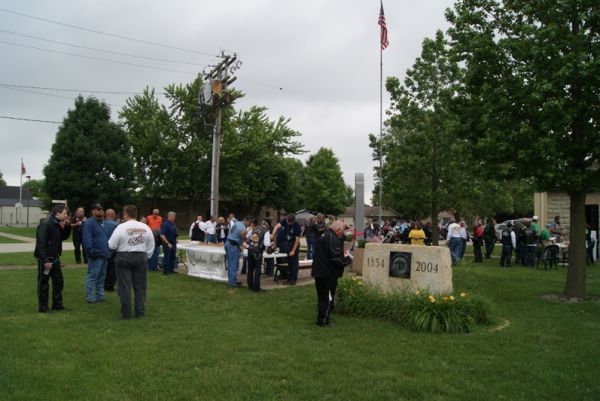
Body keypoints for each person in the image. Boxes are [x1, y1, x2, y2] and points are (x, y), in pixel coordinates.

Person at [108, 204, 155, 319]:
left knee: (124, 286)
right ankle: (140, 312)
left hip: (124, 256)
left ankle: (126, 313)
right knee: (140, 286)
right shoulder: (145, 227)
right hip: (141, 257)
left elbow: (111, 245)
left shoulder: (121, 227)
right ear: (135, 214)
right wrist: (146, 256)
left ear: (125, 214)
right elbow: (151, 245)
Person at [311, 220, 352, 327]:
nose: (343, 233)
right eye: (343, 231)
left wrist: (345, 228)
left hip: (319, 271)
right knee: (327, 299)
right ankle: (323, 321)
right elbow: (336, 259)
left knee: (322, 297)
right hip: (327, 273)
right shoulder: (333, 239)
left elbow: (340, 239)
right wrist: (349, 259)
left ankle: (322, 318)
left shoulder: (324, 235)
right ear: (338, 230)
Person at [34, 204, 71, 313]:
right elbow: (41, 244)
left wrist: (67, 226)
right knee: (44, 283)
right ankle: (43, 307)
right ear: (58, 213)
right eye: (65, 213)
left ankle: (57, 305)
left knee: (58, 281)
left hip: (55, 258)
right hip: (45, 259)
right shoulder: (46, 224)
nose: (67, 215)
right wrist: (45, 260)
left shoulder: (57, 224)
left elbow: (63, 237)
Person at [83, 203, 110, 304]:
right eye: (98, 209)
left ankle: (100, 296)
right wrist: (91, 251)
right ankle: (90, 297)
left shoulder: (104, 222)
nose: (101, 211)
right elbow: (86, 238)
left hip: (104, 254)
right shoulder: (89, 223)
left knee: (102, 277)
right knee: (92, 276)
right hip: (96, 254)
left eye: (102, 209)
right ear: (93, 211)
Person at [273, 213, 302, 285]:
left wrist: (293, 250)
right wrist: (273, 234)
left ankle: (293, 280)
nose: (288, 223)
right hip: (288, 244)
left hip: (294, 244)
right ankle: (289, 278)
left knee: (294, 263)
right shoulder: (285, 221)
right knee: (289, 262)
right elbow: (277, 226)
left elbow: (297, 240)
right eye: (287, 221)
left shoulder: (297, 226)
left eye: (289, 222)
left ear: (293, 221)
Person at [244, 217, 270, 291]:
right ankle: (256, 287)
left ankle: (250, 285)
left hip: (250, 250)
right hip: (257, 252)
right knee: (257, 270)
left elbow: (247, 236)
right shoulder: (266, 231)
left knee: (250, 269)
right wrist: (271, 244)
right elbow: (266, 243)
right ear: (267, 225)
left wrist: (250, 244)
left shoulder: (254, 228)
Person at [224, 215, 249, 288]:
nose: (250, 224)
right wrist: (247, 240)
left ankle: (231, 281)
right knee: (234, 265)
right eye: (249, 222)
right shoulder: (243, 227)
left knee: (230, 263)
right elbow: (242, 234)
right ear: (246, 220)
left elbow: (233, 218)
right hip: (233, 245)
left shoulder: (238, 222)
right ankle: (232, 283)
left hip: (228, 243)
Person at [103, 208, 119, 292]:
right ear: (113, 215)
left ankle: (103, 284)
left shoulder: (102, 224)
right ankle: (109, 286)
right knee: (112, 269)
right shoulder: (116, 225)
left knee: (104, 267)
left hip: (103, 249)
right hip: (113, 250)